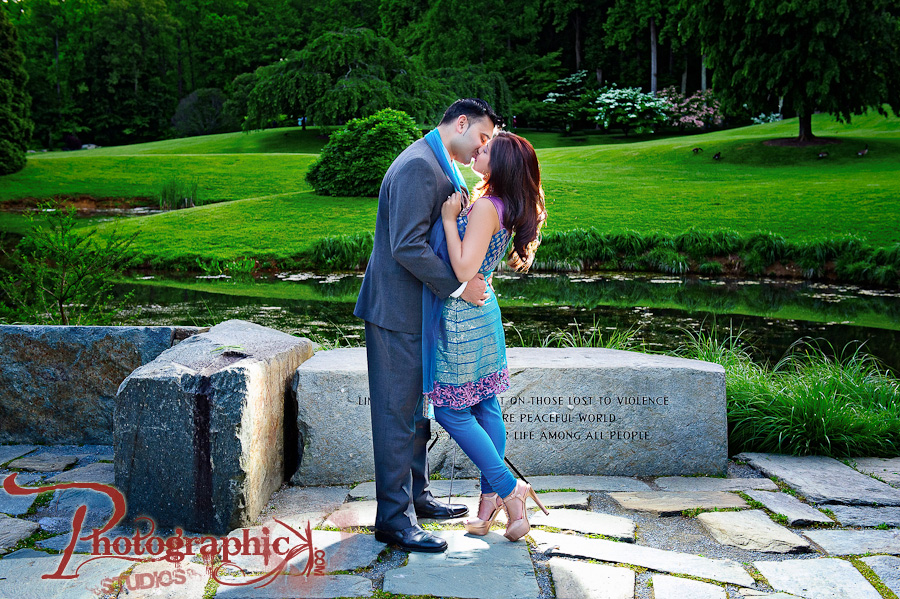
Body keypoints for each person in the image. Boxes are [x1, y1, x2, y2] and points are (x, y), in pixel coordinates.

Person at [354, 99, 502, 553]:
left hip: (422, 313)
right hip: (396, 314)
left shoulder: (445, 163)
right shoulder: (419, 166)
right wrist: (459, 288)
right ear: (461, 123)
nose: (483, 147)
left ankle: (417, 497)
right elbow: (406, 246)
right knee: (397, 415)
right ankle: (393, 520)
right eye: (481, 137)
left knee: (418, 414)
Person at [426, 131, 549, 542]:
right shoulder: (506, 203)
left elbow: (462, 270)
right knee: (486, 406)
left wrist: (447, 220)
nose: (478, 151)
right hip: (484, 313)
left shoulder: (485, 207)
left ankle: (510, 487)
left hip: (462, 317)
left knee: (449, 410)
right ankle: (491, 502)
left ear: (501, 165)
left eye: (485, 150)